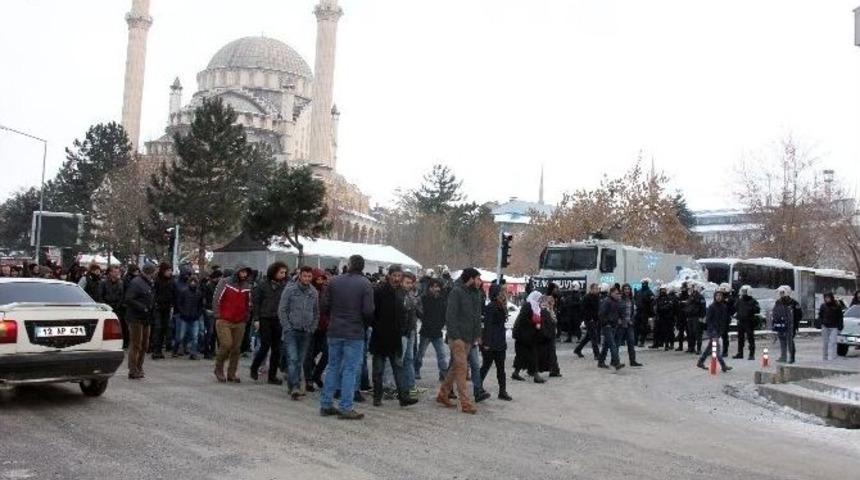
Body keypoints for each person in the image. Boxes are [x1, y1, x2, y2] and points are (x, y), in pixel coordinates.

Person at [320, 255, 375, 420]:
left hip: (335, 329)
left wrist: (333, 317)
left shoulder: (334, 281)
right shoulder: (365, 283)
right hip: (354, 331)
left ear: (349, 265)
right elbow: (368, 310)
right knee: (350, 370)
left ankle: (326, 404)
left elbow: (324, 305)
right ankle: (346, 407)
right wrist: (364, 324)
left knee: (332, 367)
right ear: (362, 267)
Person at [436, 268, 482, 414]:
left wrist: (478, 334)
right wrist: (456, 337)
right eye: (478, 278)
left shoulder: (476, 293)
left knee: (456, 367)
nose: (479, 282)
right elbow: (450, 316)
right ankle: (465, 403)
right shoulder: (456, 292)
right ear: (471, 278)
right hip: (457, 338)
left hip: (469, 337)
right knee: (462, 369)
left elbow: (477, 316)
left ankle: (443, 394)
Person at [369, 265, 417, 407]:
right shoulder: (379, 291)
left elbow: (404, 314)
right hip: (380, 336)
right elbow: (372, 312)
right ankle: (377, 397)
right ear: (389, 276)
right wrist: (376, 326)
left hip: (396, 337)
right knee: (378, 369)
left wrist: (403, 330)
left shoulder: (401, 293)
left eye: (399, 276)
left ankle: (403, 397)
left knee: (398, 367)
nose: (396, 278)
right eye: (394, 275)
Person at [279, 265, 320, 400]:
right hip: (291, 330)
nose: (307, 278)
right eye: (305, 276)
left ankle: (292, 386)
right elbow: (282, 309)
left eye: (309, 276)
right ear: (300, 276)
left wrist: (312, 327)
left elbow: (316, 312)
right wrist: (287, 327)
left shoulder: (313, 292)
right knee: (293, 358)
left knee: (300, 360)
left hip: (306, 331)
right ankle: (295, 386)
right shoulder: (290, 290)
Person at [212, 264, 253, 383]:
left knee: (236, 348)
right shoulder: (225, 282)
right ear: (237, 272)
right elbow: (217, 298)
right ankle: (218, 368)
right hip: (224, 319)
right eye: (242, 272)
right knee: (226, 344)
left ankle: (232, 373)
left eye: (246, 272)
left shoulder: (247, 286)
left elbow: (248, 303)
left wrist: (246, 316)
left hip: (240, 321)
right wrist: (218, 314)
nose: (244, 274)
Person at [250, 262, 288, 385]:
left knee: (277, 349)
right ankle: (254, 367)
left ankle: (272, 376)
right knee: (265, 345)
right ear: (274, 272)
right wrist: (256, 319)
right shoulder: (262, 285)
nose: (283, 275)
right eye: (281, 272)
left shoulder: (285, 286)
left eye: (284, 272)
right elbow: (256, 303)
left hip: (278, 319)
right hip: (264, 318)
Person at [480, 286, 512, 401]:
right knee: (485, 366)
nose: (503, 295)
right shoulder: (490, 307)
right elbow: (487, 326)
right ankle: (477, 388)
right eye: (500, 293)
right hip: (491, 343)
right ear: (495, 294)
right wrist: (486, 343)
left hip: (500, 342)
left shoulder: (501, 306)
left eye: (503, 293)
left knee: (501, 369)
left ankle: (502, 391)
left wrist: (504, 305)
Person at [125, 264, 156, 379]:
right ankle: (133, 369)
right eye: (154, 272)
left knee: (144, 345)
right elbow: (129, 298)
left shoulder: (149, 282)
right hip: (136, 318)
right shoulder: (136, 282)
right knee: (136, 344)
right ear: (150, 272)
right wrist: (143, 307)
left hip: (146, 318)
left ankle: (139, 366)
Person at [415, 278, 448, 382]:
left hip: (437, 332)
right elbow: (419, 312)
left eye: (437, 287)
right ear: (429, 288)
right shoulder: (423, 299)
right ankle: (416, 370)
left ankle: (443, 373)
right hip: (426, 331)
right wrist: (425, 320)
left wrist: (441, 325)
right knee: (420, 354)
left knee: (442, 354)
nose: (436, 289)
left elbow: (444, 315)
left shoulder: (442, 300)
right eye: (433, 287)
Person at [304, 269, 330, 392]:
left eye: (322, 279)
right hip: (310, 326)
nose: (320, 281)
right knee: (308, 354)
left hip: (324, 327)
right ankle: (308, 379)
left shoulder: (326, 291)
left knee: (327, 352)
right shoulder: (308, 291)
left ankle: (316, 374)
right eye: (317, 279)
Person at [511, 291, 545, 383]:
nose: (540, 300)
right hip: (523, 335)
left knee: (522, 355)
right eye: (539, 298)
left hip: (529, 335)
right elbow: (523, 319)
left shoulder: (536, 306)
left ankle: (516, 373)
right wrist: (534, 323)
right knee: (531, 354)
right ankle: (535, 375)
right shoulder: (528, 305)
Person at [696, 290, 733, 372]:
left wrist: (722, 329)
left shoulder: (724, 307)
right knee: (717, 349)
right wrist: (712, 330)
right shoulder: (711, 307)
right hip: (713, 331)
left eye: (720, 296)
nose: (719, 297)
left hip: (719, 330)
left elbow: (724, 319)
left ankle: (700, 362)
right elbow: (708, 320)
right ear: (715, 297)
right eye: (717, 296)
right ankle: (723, 365)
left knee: (709, 347)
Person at [174, 274, 204, 359]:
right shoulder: (184, 292)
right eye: (192, 281)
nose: (193, 283)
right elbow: (179, 303)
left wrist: (198, 314)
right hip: (185, 317)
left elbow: (201, 305)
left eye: (194, 282)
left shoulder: (198, 293)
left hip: (194, 317)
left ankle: (193, 353)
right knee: (181, 336)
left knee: (194, 336)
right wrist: (182, 312)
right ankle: (176, 350)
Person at [98, 265, 127, 349]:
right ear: (110, 273)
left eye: (118, 272)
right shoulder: (103, 282)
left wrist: (118, 305)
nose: (116, 273)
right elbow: (100, 296)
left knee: (118, 326)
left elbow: (122, 296)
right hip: (106, 308)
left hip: (117, 308)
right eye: (114, 272)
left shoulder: (121, 283)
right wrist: (105, 306)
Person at [150, 263, 175, 360]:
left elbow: (173, 293)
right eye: (168, 270)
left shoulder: (171, 281)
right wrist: (155, 303)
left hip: (167, 307)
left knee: (164, 329)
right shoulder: (157, 280)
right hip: (158, 307)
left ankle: (159, 350)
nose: (170, 272)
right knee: (158, 328)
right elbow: (154, 293)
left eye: (170, 270)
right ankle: (155, 350)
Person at [598, 286, 625, 370]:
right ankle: (616, 362)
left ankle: (601, 361)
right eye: (616, 293)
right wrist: (607, 323)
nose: (618, 295)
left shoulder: (616, 301)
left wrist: (618, 319)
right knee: (612, 344)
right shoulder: (607, 301)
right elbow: (601, 314)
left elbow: (617, 313)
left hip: (613, 325)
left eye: (618, 293)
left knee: (606, 345)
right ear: (611, 293)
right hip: (607, 326)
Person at [772, 286, 801, 364]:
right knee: (782, 340)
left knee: (790, 341)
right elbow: (775, 312)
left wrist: (794, 322)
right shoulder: (778, 302)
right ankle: (783, 356)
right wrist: (775, 321)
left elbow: (799, 314)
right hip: (781, 324)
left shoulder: (793, 302)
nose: (781, 295)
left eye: (782, 293)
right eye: (780, 293)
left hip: (790, 325)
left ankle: (792, 357)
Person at [574, 283, 601, 359]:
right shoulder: (586, 297)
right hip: (589, 320)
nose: (597, 290)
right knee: (594, 337)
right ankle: (597, 354)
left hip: (595, 319)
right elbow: (583, 309)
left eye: (597, 289)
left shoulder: (597, 297)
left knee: (588, 337)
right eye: (595, 288)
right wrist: (589, 318)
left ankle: (578, 349)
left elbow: (597, 309)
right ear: (591, 289)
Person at [733, 285, 760, 360]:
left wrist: (750, 309)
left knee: (750, 338)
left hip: (749, 322)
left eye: (745, 291)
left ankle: (751, 354)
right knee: (740, 338)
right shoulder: (739, 300)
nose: (743, 293)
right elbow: (735, 308)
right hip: (740, 321)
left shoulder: (753, 301)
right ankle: (740, 353)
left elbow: (757, 310)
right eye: (743, 291)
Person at [819, 292, 845, 362]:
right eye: (825, 298)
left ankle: (833, 357)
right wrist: (821, 323)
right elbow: (820, 315)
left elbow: (840, 317)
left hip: (834, 327)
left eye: (828, 297)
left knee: (833, 342)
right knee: (825, 343)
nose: (827, 299)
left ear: (831, 298)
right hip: (825, 326)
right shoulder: (823, 306)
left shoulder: (837, 306)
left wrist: (840, 326)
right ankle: (825, 357)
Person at [683, 284, 706, 354]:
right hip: (690, 317)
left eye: (691, 288)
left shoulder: (700, 297)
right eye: (689, 288)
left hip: (697, 317)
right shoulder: (690, 296)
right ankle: (691, 348)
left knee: (698, 333)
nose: (690, 289)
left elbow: (703, 308)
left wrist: (702, 317)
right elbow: (688, 306)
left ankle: (699, 349)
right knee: (690, 333)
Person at [635, 279, 655, 348]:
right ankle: (636, 341)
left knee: (643, 327)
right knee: (636, 326)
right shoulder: (639, 291)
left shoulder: (649, 292)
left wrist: (650, 310)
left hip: (645, 311)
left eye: (645, 283)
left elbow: (652, 301)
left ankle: (642, 341)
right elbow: (635, 299)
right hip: (639, 311)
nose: (644, 284)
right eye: (643, 283)